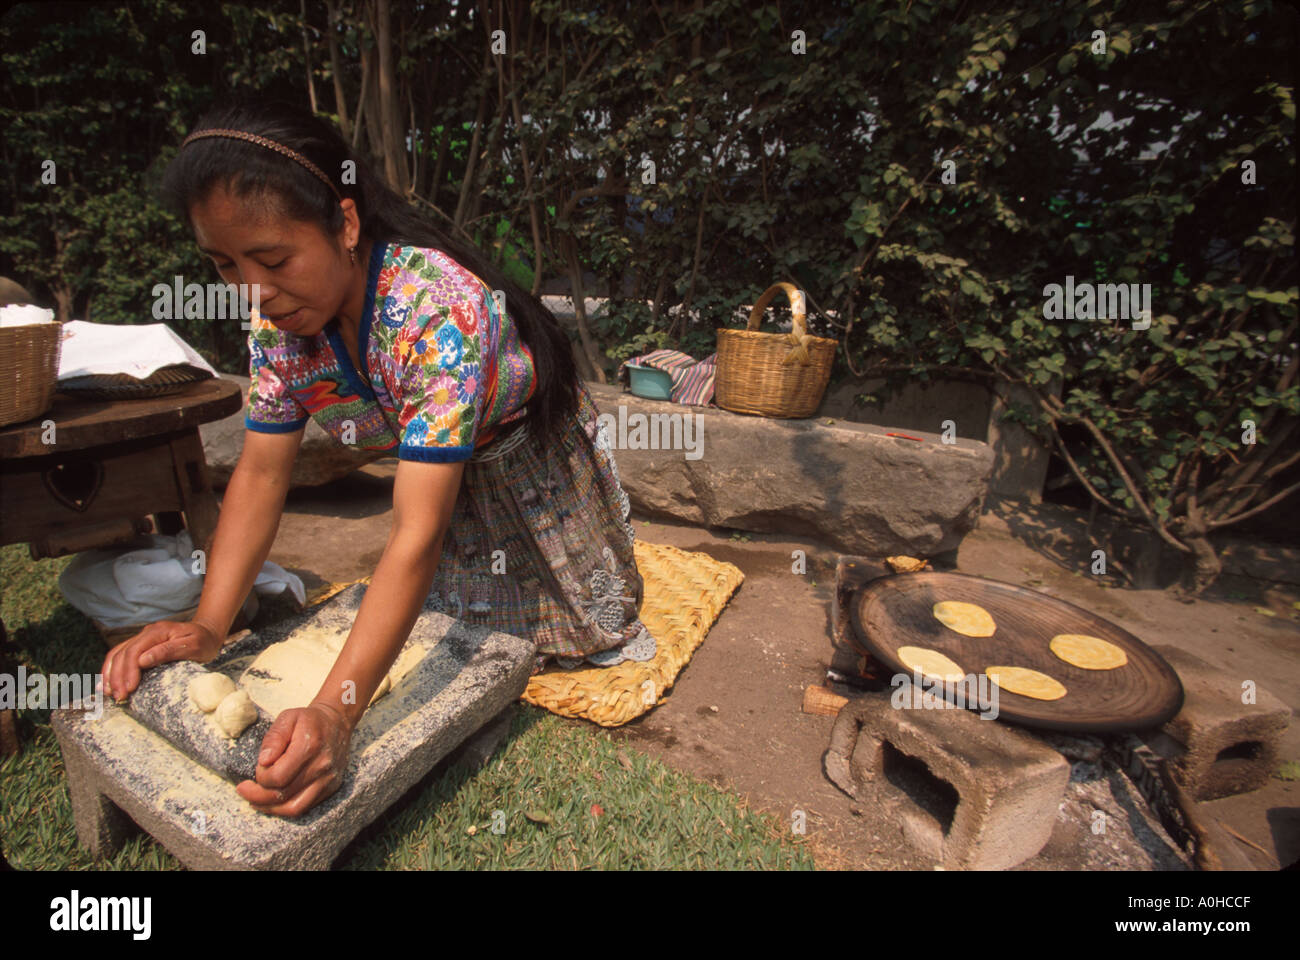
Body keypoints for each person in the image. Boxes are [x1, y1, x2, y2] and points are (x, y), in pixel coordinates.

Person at [100, 100, 654, 818]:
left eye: (272, 260)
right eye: (224, 265)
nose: (254, 290)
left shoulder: (432, 313)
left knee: (584, 629)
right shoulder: (277, 332)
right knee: (448, 640)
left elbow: (416, 532)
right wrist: (210, 626)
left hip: (524, 459)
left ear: (347, 225)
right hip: (438, 472)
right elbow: (263, 473)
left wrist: (337, 712)